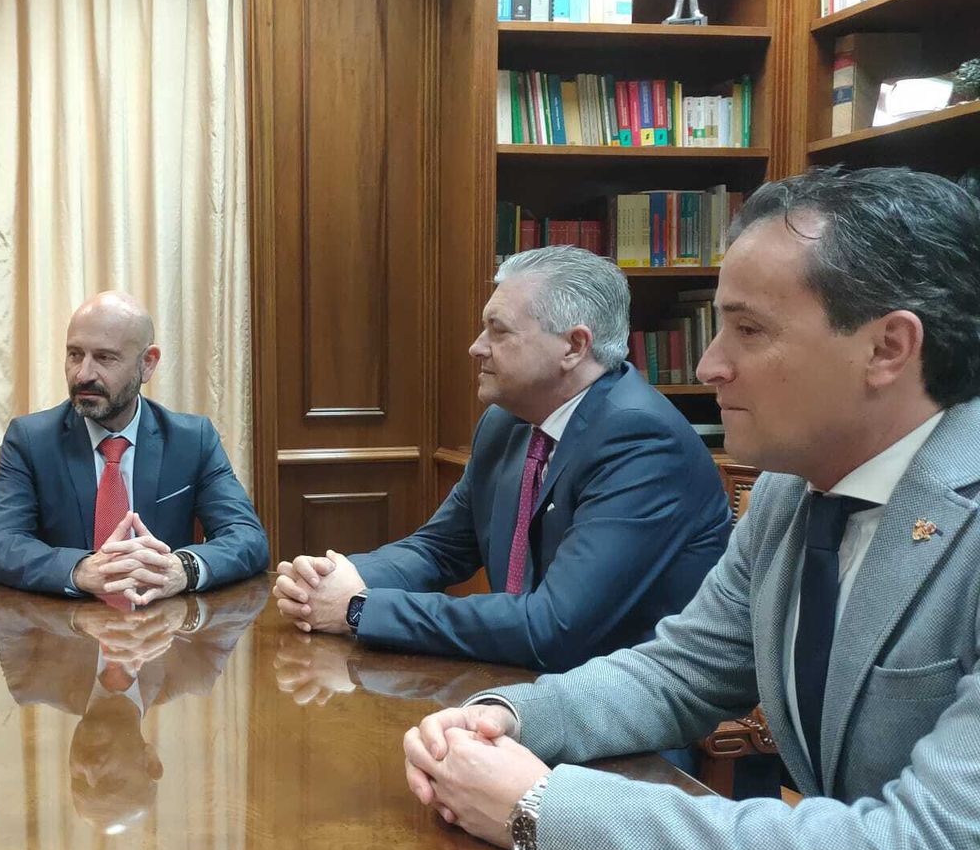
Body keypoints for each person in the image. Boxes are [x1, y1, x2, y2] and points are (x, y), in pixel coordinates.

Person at [401, 167, 980, 850]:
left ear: (888, 348)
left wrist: (538, 809)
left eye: (748, 330)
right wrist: (504, 716)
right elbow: (681, 673)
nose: (709, 365)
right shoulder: (787, 494)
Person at [272, 246, 730, 672]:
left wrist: (359, 609)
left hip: (618, 717)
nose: (476, 346)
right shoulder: (507, 422)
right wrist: (340, 577)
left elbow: (554, 626)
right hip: (517, 683)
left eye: (499, 330)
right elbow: (441, 546)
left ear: (573, 346)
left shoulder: (641, 441)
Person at [0, 291, 269, 602]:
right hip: (65, 632)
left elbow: (248, 538)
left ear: (147, 364)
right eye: (75, 355)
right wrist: (80, 569)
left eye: (104, 358)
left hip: (163, 630)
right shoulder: (31, 440)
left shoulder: (191, 440)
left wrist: (183, 569)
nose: (83, 374)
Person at [0, 580, 265, 832]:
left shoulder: (33, 682)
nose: (87, 768)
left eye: (79, 782)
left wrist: (76, 617)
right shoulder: (194, 671)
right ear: (150, 761)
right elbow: (243, 607)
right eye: (109, 783)